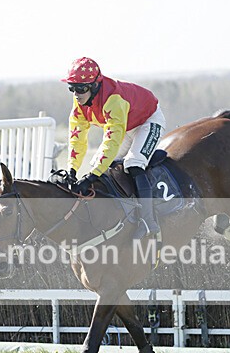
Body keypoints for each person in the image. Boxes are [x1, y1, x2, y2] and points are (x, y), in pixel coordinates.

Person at [62, 57, 166, 239]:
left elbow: (112, 141)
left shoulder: (113, 99)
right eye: (72, 88)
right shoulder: (79, 103)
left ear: (94, 86)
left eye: (81, 89)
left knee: (134, 164)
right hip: (125, 126)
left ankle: (148, 222)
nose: (76, 94)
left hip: (148, 121)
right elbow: (77, 139)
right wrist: (72, 170)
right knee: (96, 165)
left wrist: (92, 176)